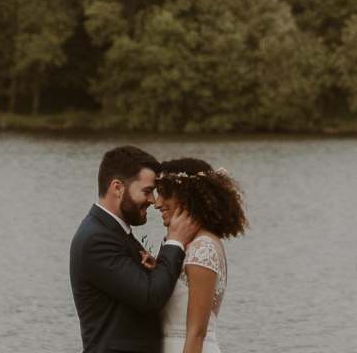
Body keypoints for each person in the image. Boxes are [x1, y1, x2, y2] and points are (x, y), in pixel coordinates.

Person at [71, 145, 198, 353]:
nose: (153, 201)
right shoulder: (96, 239)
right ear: (117, 188)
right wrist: (175, 242)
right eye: (147, 191)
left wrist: (160, 264)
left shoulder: (112, 232)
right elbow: (150, 297)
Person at [149, 158, 246, 353]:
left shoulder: (203, 248)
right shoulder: (185, 246)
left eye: (163, 194)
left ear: (186, 195)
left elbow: (197, 334)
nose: (157, 204)